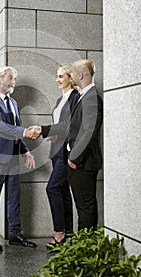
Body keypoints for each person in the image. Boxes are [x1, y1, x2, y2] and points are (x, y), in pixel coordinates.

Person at [0, 66, 37, 252]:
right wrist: (24, 132)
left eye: (14, 78)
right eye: (11, 78)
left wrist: (26, 150)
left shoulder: (13, 102)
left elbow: (15, 128)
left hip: (13, 156)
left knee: (14, 197)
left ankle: (15, 234)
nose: (14, 82)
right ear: (0, 79)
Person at [39, 65, 80, 248]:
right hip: (56, 150)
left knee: (52, 188)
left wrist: (45, 130)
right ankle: (68, 232)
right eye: (57, 76)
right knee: (62, 190)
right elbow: (60, 125)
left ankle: (59, 232)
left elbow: (70, 124)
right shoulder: (59, 100)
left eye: (61, 76)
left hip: (66, 152)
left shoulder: (75, 98)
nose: (57, 79)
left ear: (71, 78)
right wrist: (53, 134)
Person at [67, 59, 103, 230]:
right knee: (83, 206)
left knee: (85, 207)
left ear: (80, 75)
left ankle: (86, 247)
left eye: (72, 72)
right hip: (81, 162)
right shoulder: (86, 96)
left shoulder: (91, 97)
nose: (71, 76)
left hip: (83, 163)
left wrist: (73, 157)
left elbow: (89, 131)